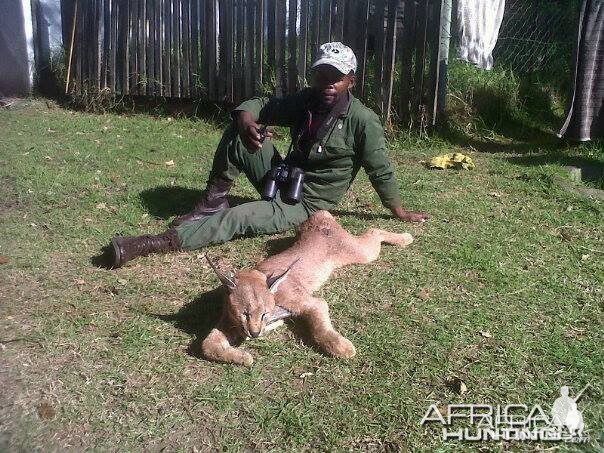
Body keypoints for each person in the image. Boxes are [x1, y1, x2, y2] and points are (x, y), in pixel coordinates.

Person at [110, 42, 428, 268]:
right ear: (313, 77)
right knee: (238, 128)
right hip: (282, 177)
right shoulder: (306, 100)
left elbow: (380, 169)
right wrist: (248, 120)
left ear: (350, 81)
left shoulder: (363, 120)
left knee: (240, 216)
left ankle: (159, 242)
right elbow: (261, 104)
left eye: (337, 77)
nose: (328, 83)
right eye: (322, 75)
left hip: (304, 202)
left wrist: (398, 210)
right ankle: (211, 204)